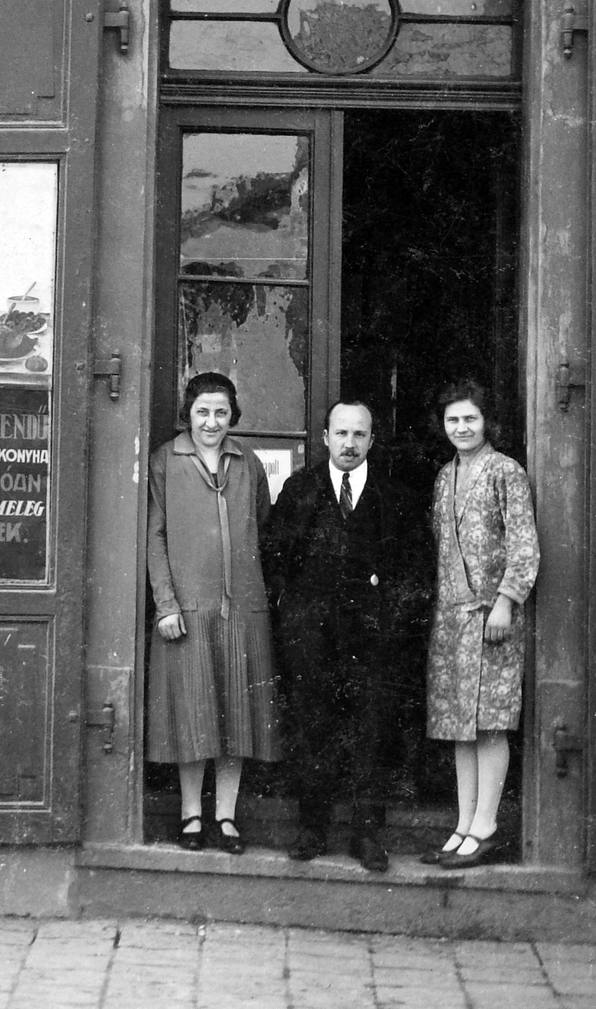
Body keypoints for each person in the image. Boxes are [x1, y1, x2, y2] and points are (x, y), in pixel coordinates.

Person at [264, 400, 426, 873]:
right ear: (325, 437)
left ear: (372, 440)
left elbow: (415, 572)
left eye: (359, 435)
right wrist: (291, 612)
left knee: (370, 733)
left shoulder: (394, 497)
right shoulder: (299, 490)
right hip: (311, 637)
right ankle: (312, 828)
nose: (349, 444)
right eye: (341, 434)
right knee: (313, 729)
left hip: (372, 640)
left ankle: (366, 833)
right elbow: (274, 558)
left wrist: (389, 618)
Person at [146, 371, 282, 855]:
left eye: (221, 412)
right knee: (193, 715)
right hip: (188, 608)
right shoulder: (166, 460)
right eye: (203, 411)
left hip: (243, 608)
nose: (211, 421)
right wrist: (166, 603)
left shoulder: (247, 461)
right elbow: (154, 536)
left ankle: (225, 816)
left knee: (235, 717)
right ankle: (191, 815)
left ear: (233, 415)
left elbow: (264, 527)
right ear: (189, 413)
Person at [424, 378, 540, 869]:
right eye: (453, 420)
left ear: (487, 422)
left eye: (470, 418)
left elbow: (524, 544)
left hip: (494, 619)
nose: (462, 427)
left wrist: (506, 602)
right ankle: (464, 822)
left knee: (490, 724)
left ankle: (486, 826)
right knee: (460, 727)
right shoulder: (443, 476)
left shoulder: (505, 472)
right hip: (453, 619)